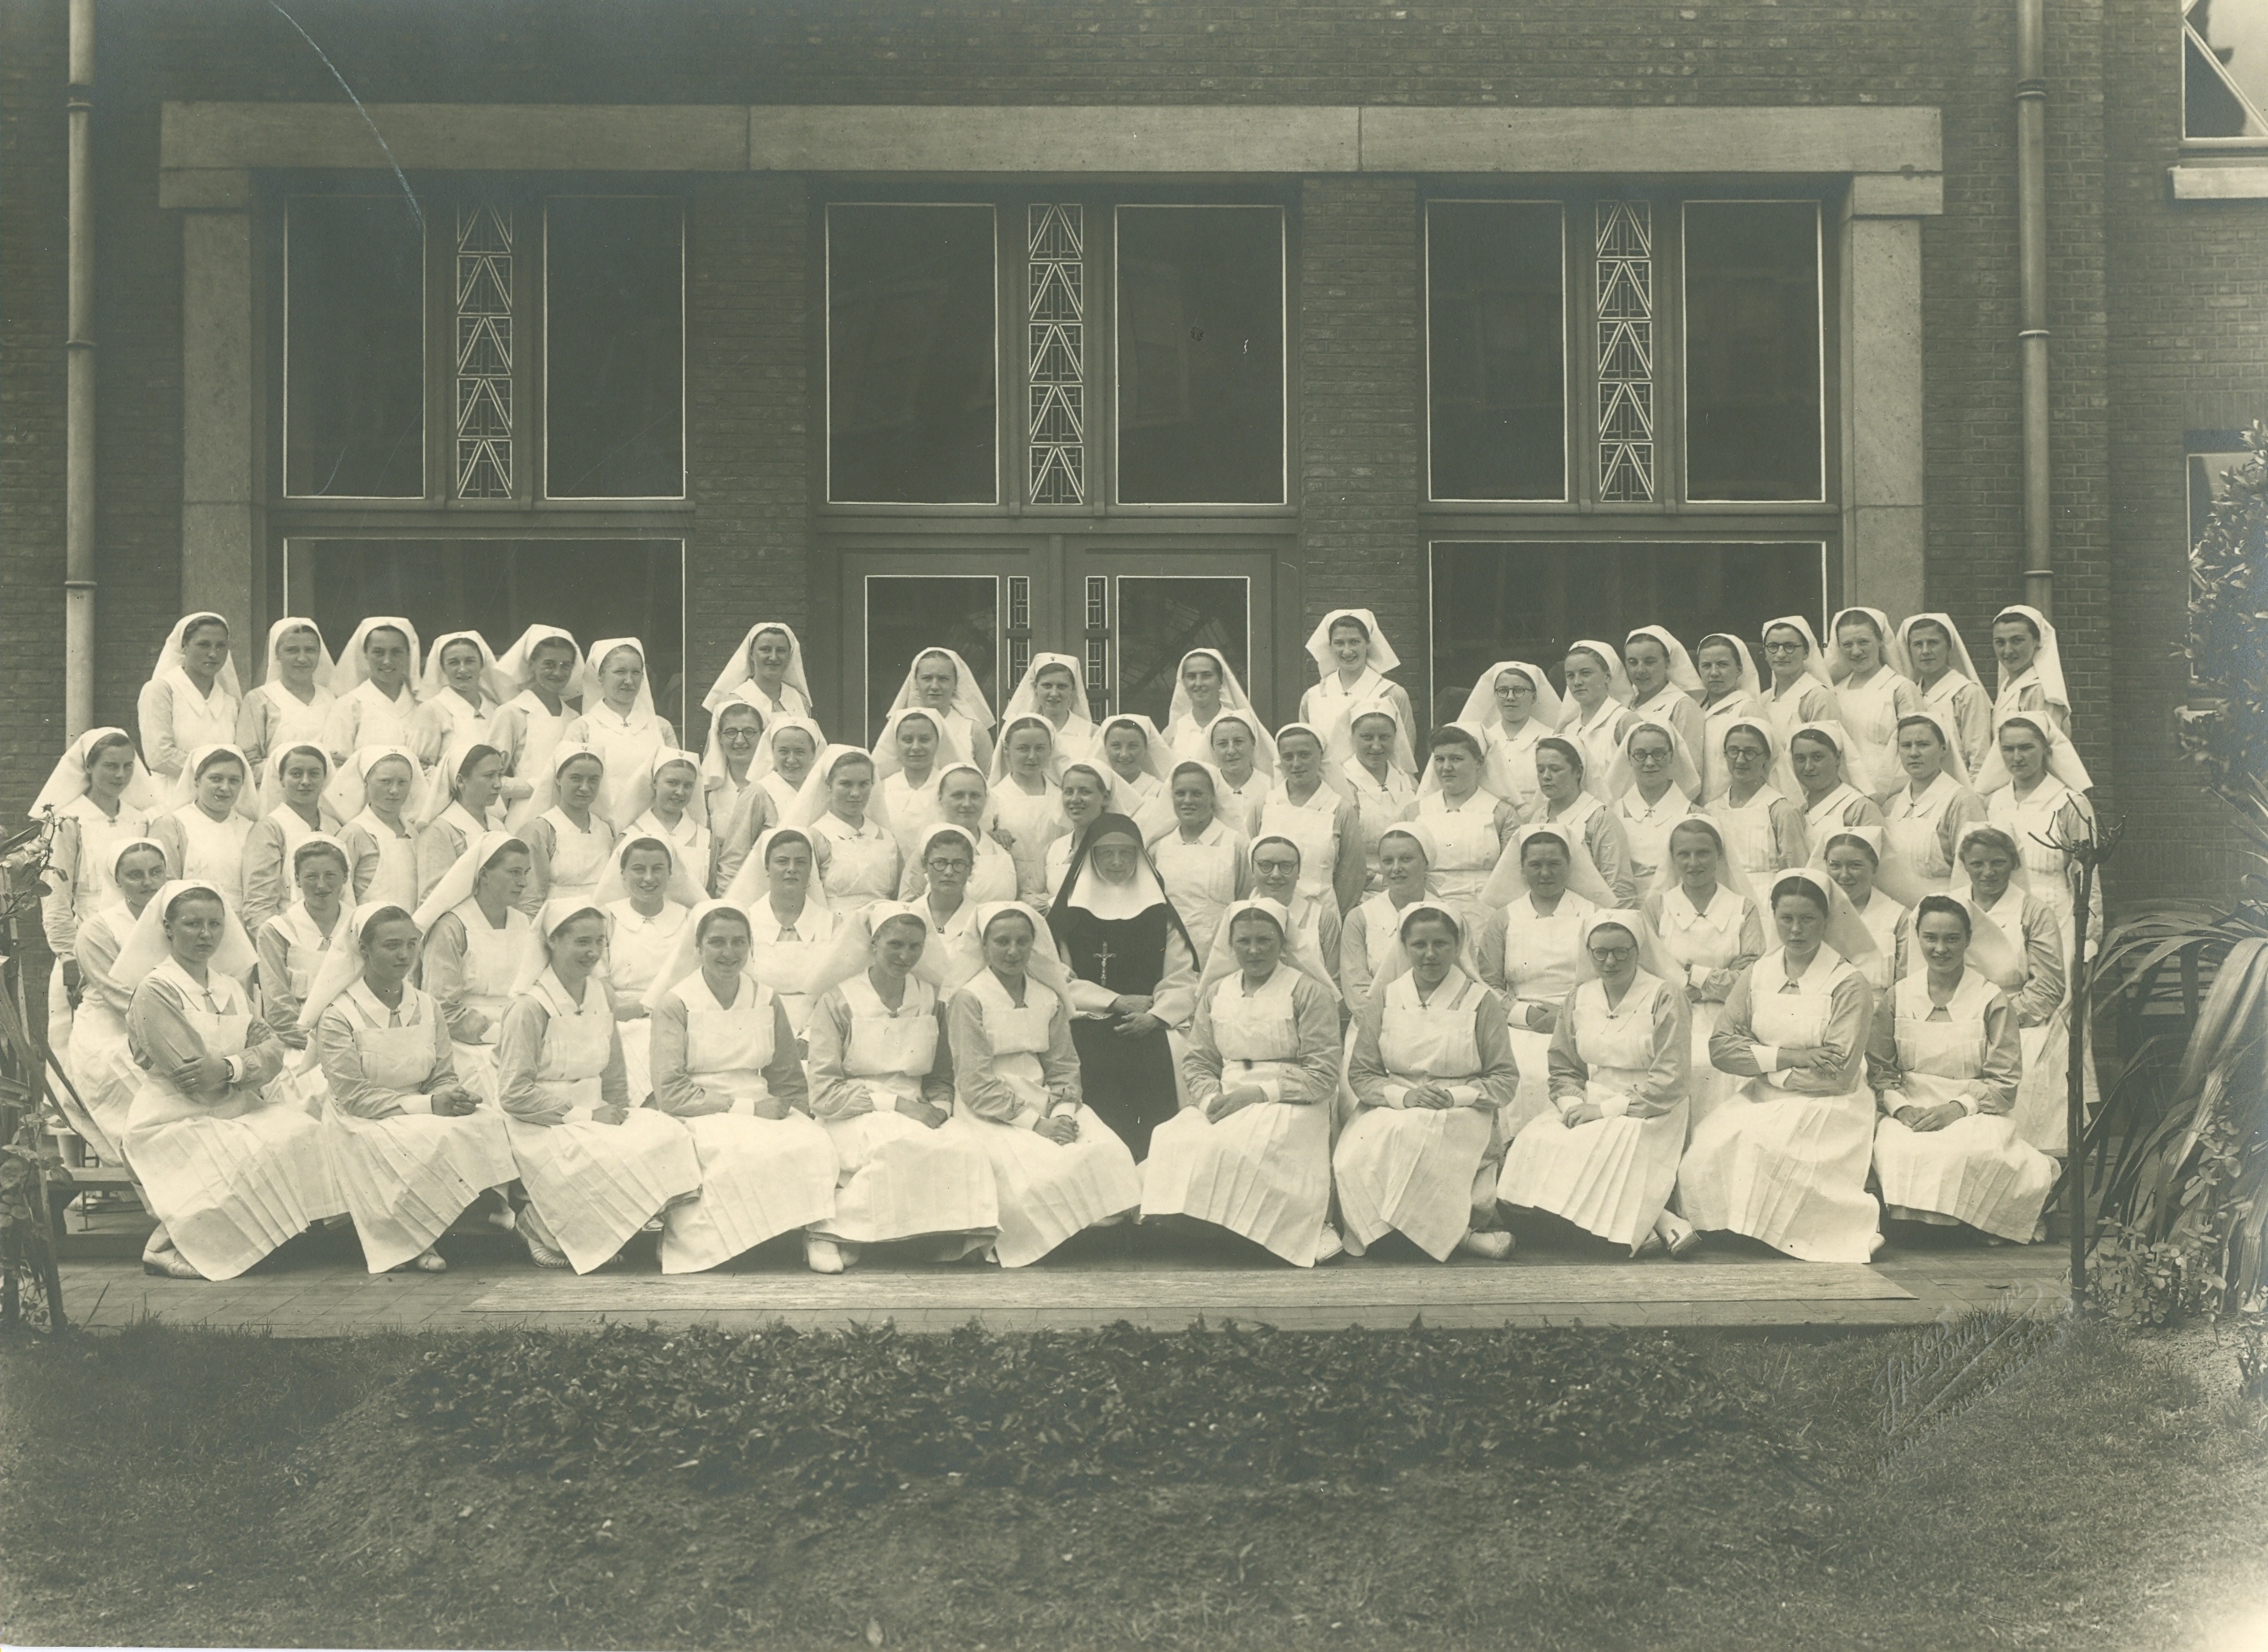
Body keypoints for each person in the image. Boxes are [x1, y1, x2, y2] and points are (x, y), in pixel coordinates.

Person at [118, 880, 345, 1279]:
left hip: (234, 1105)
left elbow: (272, 1053)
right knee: (250, 1151)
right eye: (191, 924)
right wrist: (243, 1062)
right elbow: (193, 1077)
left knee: (303, 1130)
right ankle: (163, 1245)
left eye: (214, 924)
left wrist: (228, 1068)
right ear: (168, 928)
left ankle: (272, 1239)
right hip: (173, 1117)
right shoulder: (156, 990)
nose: (205, 935)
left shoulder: (228, 987)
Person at [1681, 869, 1883, 1263]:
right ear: (1773, 916)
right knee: (1706, 1144)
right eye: (1786, 918)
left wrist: (1760, 1062)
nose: (1796, 929)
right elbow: (1722, 1047)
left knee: (1764, 1143)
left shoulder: (1848, 983)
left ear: (1826, 921)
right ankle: (1733, 1228)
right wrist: (1787, 1057)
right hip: (1763, 1094)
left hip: (1828, 1102)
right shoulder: (1757, 974)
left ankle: (1768, 1234)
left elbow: (1838, 1072)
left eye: (1808, 919)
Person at [304, 902, 516, 1274]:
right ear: (364, 950)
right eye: (391, 946)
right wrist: (430, 1105)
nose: (404, 955)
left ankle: (483, 1214)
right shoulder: (339, 1015)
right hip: (362, 1116)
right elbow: (354, 1095)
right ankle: (411, 1239)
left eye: (411, 944)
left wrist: (453, 1095)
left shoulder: (427, 1005)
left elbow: (442, 1073)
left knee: (486, 1121)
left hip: (422, 1105)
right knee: (417, 1139)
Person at [496, 898, 701, 1272]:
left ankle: (622, 1230)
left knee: (667, 1134)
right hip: (542, 1122)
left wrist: (620, 1113)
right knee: (603, 1154)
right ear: (553, 941)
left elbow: (614, 1069)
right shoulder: (529, 1007)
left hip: (597, 1113)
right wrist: (584, 1115)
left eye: (599, 942)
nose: (592, 952)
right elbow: (513, 1094)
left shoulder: (602, 993)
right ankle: (538, 1226)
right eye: (581, 942)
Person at [643, 900, 840, 1273]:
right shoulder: (675, 1003)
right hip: (698, 1109)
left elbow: (786, 1075)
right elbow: (671, 1091)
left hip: (761, 1102)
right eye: (717, 942)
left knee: (812, 1143)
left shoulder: (766, 997)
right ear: (698, 947)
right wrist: (747, 1109)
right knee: (728, 1149)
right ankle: (695, 1242)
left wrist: (804, 1117)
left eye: (738, 942)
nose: (728, 952)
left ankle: (815, 1233)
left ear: (750, 946)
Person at [802, 904, 1001, 1269]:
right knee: (895, 1146)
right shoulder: (838, 1001)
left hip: (919, 1106)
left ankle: (930, 1238)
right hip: (852, 1110)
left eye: (914, 947)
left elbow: (942, 1074)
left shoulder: (931, 999)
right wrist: (897, 1106)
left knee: (964, 1147)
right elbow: (824, 1092)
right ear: (873, 942)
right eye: (894, 945)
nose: (904, 956)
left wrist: (941, 1108)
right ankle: (827, 1232)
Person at [945, 903, 1143, 1267]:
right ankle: (1052, 1241)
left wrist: (1064, 1111)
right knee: (1032, 1176)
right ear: (984, 945)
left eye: (1022, 941)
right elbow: (974, 1081)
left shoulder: (1046, 995)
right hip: (989, 1107)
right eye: (1001, 941)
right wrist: (1037, 1125)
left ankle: (1086, 1233)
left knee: (1108, 1152)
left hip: (1047, 1100)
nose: (1012, 951)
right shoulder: (968, 998)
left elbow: (1064, 1064)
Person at [1147, 898, 1343, 1263]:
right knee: (1173, 1137)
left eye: (1265, 941)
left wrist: (1257, 1093)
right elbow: (1199, 1060)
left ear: (1283, 942)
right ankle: (1208, 1230)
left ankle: (1275, 1233)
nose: (1254, 951)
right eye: (1244, 941)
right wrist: (1209, 1100)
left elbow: (1323, 1074)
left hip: (1290, 1098)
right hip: (1226, 1095)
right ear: (1230, 944)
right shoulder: (1216, 992)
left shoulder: (1308, 992)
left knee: (1250, 1144)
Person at [1498, 912, 1698, 1256]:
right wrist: (1574, 1105)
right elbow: (1563, 1067)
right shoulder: (1578, 998)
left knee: (1594, 1146)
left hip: (1650, 1107)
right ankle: (1654, 1221)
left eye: (1622, 952)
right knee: (1537, 1142)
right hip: (1591, 1098)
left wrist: (1605, 1110)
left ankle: (1636, 1226)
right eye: (1600, 952)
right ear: (1588, 952)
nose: (1610, 961)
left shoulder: (1665, 996)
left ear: (1639, 950)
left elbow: (1671, 1077)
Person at [1870, 895, 2057, 1244]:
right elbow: (1880, 1069)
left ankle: (1960, 1225)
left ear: (1968, 940)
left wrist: (1957, 1109)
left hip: (1973, 1110)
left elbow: (2004, 1082)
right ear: (1918, 938)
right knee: (1897, 1148)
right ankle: (1923, 1226)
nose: (1941, 949)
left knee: (1966, 1152)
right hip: (1910, 1107)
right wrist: (1901, 1108)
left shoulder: (1990, 999)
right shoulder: (1899, 995)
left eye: (1952, 939)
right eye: (1931, 938)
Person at [1343, 902, 1520, 1261]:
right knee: (1351, 1157)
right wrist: (1402, 1098)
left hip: (1461, 1109)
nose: (1429, 954)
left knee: (1418, 1138)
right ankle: (1421, 1236)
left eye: (1440, 944)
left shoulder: (1481, 1001)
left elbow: (1504, 1078)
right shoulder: (1387, 996)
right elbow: (1362, 1073)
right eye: (1418, 945)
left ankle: (1448, 1235)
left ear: (1457, 947)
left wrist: (1454, 1097)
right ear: (1404, 947)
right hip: (1393, 1103)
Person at [1045, 813, 1202, 1161]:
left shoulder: (1158, 914)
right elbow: (1057, 978)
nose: (1117, 862)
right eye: (1106, 853)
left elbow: (1183, 977)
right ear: (1091, 857)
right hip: (1087, 1021)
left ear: (1139, 857)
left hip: (1149, 1025)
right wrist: (1114, 1001)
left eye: (1126, 853)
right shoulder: (1070, 915)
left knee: (1157, 1068)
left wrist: (1158, 1016)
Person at [1948, 824, 2077, 1155]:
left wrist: (1999, 1019)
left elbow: (2048, 986)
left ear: (2014, 863)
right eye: (1977, 864)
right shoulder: (1948, 908)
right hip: (1955, 1014)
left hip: (2020, 1017)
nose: (1987, 872)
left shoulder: (2033, 911)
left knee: (2027, 1070)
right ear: (1964, 865)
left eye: (1998, 862)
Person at [1477, 823, 1611, 1131]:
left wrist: (1568, 1016)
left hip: (1583, 1019)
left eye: (1554, 864)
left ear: (1569, 865)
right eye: (1535, 865)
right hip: (1519, 1022)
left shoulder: (1592, 913)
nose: (1545, 873)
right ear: (1522, 868)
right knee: (1519, 1073)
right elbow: (1487, 984)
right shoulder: (1504, 918)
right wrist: (1525, 1014)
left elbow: (1607, 975)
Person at [32, 728, 159, 1053]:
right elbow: (56, 897)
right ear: (88, 767)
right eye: (110, 765)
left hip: (133, 940)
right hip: (85, 941)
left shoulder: (139, 820)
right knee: (79, 1041)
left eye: (128, 766)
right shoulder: (67, 821)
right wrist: (68, 957)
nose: (120, 774)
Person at [1633, 816, 1765, 1126]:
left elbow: (1749, 978)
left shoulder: (1743, 909)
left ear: (1719, 855)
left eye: (1703, 853)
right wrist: (1716, 976)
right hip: (1669, 1017)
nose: (1694, 863)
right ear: (1673, 858)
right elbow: (1646, 970)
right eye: (1684, 854)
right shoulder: (1656, 908)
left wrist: (1690, 976)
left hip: (1729, 1018)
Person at [58, 840, 172, 1163]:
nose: (147, 882)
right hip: (110, 1027)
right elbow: (118, 996)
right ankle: (153, 1164)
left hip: (166, 1021)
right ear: (117, 879)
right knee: (135, 1072)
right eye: (135, 875)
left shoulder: (178, 917)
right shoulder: (98, 929)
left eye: (155, 872)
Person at [413, 830, 535, 1103]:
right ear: (485, 874)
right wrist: (497, 1033)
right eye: (514, 872)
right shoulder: (452, 927)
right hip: (464, 1042)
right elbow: (441, 1006)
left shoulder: (524, 923)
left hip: (516, 1031)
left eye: (526, 873)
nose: (523, 882)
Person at [1976, 712, 2100, 960]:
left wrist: (2088, 943)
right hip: (2003, 920)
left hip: (2057, 920)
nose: (2017, 757)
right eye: (2008, 749)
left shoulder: (2070, 804)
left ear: (2045, 748)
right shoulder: (1993, 802)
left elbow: (2087, 878)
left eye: (2026, 748)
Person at [595, 834, 701, 1100]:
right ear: (622, 874)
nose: (648, 879)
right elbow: (597, 979)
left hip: (676, 1018)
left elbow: (694, 980)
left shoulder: (689, 919)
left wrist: (650, 1008)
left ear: (670, 874)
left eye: (657, 869)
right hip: (619, 1019)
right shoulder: (606, 918)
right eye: (638, 869)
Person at [251, 835, 352, 1111]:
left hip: (356, 1035)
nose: (321, 885)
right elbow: (279, 1012)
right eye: (311, 876)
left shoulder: (360, 926)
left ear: (345, 877)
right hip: (297, 1044)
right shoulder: (276, 931)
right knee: (322, 1096)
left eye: (330, 875)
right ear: (296, 879)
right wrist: (323, 1041)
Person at [721, 827, 844, 1036]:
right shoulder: (744, 924)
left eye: (801, 862)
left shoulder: (833, 925)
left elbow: (837, 993)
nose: (791, 868)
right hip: (757, 1031)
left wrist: (808, 1037)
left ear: (810, 870)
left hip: (818, 1035)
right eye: (782, 861)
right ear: (767, 867)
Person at [563, 637, 679, 829]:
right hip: (599, 830)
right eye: (620, 672)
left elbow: (676, 779)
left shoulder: (661, 727)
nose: (628, 680)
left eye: (636, 672)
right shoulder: (582, 728)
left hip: (652, 830)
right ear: (600, 676)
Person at [1216, 833, 1345, 995]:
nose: (1276, 874)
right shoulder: (1233, 916)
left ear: (1298, 871)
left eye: (1286, 866)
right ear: (1252, 870)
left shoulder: (1322, 918)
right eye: (1265, 865)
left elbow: (1335, 982)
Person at [1259, 723, 1366, 914]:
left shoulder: (1341, 809)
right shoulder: (1264, 806)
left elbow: (1352, 876)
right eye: (1288, 756)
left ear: (1321, 756)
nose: (1296, 764)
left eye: (1305, 755)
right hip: (1269, 914)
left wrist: (1327, 919)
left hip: (1322, 914)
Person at [710, 714, 823, 891]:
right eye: (784, 751)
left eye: (800, 752)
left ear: (814, 753)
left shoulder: (823, 793)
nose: (791, 760)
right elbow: (734, 859)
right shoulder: (758, 793)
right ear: (772, 752)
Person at [1299, 609, 1420, 776]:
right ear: (1330, 645)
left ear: (1368, 643)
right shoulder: (1312, 697)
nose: (1347, 651)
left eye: (1354, 642)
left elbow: (1405, 759)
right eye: (1339, 643)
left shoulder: (1392, 694)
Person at [1880, 707, 1988, 894]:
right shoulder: (1892, 805)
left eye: (1923, 744)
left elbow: (1972, 872)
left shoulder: (1961, 802)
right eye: (1906, 745)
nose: (1914, 753)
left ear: (1943, 748)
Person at [487, 624, 583, 830]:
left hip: (568, 816)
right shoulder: (512, 713)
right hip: (525, 815)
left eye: (565, 665)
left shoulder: (575, 718)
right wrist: (536, 786)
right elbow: (490, 777)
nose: (557, 672)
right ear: (531, 664)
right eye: (549, 664)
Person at [1149, 762, 1250, 954]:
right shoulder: (1159, 848)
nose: (1187, 801)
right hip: (1170, 950)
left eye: (1197, 794)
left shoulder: (1236, 845)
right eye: (1180, 794)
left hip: (1220, 949)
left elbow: (1244, 899)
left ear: (1213, 797)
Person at [1415, 725, 1521, 909]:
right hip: (1428, 910)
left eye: (1456, 759)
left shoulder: (1503, 814)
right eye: (1440, 759)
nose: (1446, 767)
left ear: (1479, 762)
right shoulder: (1415, 812)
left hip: (1486, 908)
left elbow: (1510, 876)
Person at [241, 742, 344, 932]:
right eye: (296, 774)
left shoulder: (335, 826)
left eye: (314, 774)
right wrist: (280, 943)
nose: (305, 781)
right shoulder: (270, 828)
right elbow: (259, 903)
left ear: (324, 778)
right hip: (290, 935)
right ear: (281, 779)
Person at [1340, 822, 1444, 1008]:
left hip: (1434, 1023)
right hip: (1374, 1027)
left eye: (1406, 859)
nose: (1396, 868)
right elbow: (1357, 993)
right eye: (1388, 861)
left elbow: (1458, 985)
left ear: (1425, 862)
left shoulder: (1446, 915)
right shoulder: (1359, 918)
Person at [789, 746, 902, 915]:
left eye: (863, 784)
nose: (855, 793)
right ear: (829, 784)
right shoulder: (815, 837)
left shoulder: (887, 838)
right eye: (846, 784)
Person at [1451, 660, 1561, 823]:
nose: (1510, 697)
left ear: (1534, 696)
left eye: (1519, 690)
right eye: (1503, 691)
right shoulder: (1481, 740)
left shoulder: (1552, 738)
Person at [1531, 736, 1636, 907]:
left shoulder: (1600, 817)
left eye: (1555, 769)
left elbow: (1619, 887)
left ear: (1578, 771)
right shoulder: (1538, 818)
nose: (1546, 777)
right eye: (1540, 770)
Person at [150, 743, 258, 909]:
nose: (225, 787)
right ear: (196, 780)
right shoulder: (172, 825)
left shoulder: (251, 828)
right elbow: (164, 888)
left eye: (234, 781)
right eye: (216, 779)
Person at [138, 612, 241, 781]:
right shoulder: (161, 690)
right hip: (171, 795)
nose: (213, 654)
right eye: (203, 645)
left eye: (220, 646)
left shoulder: (230, 700)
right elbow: (159, 756)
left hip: (220, 796)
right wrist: (217, 771)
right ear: (184, 646)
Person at [1830, 607, 1922, 792]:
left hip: (1894, 793)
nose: (1856, 651)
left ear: (1880, 641)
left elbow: (1914, 748)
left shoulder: (1900, 688)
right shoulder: (1835, 693)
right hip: (1846, 794)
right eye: (1847, 644)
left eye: (1863, 642)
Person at [1891, 613, 1994, 779]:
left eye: (1933, 643)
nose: (1925, 651)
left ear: (1948, 647)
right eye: (1918, 644)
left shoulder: (1966, 692)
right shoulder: (1907, 693)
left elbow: (1979, 755)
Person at [1707, 719, 1807, 885]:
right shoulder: (1711, 810)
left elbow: (1796, 872)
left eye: (1750, 752)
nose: (1740, 760)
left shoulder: (1781, 811)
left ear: (1767, 757)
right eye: (1733, 751)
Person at [1817, 824, 1915, 993]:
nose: (1844, 875)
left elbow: (1905, 984)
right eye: (1835, 865)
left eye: (1855, 865)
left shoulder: (1899, 918)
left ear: (1875, 866)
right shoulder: (1813, 912)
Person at [1605, 718, 1701, 887]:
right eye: (1640, 755)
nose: (1650, 763)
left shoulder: (1694, 814)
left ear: (1671, 756)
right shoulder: (1612, 814)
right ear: (1629, 758)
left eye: (1658, 753)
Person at [519, 745, 616, 914]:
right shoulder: (540, 830)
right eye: (576, 778)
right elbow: (529, 900)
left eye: (593, 780)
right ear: (558, 779)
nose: (585, 787)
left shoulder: (606, 830)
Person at [901, 766, 1018, 903]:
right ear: (940, 798)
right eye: (958, 795)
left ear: (986, 798)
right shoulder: (926, 849)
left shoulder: (1001, 847)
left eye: (975, 795)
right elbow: (907, 906)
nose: (967, 804)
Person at [413, 742, 509, 903]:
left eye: (500, 775)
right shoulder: (440, 831)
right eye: (488, 776)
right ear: (460, 781)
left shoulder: (498, 827)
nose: (498, 784)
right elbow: (432, 899)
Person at [323, 618, 424, 771]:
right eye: (378, 652)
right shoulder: (349, 705)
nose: (387, 661)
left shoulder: (422, 705)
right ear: (365, 654)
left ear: (409, 654)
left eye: (396, 652)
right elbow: (336, 766)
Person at [988, 716, 1070, 902]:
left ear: (1051, 749)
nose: (1032, 757)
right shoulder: (994, 797)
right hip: (1009, 888)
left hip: (1056, 890)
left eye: (1040, 748)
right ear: (1007, 749)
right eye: (1023, 748)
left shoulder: (1063, 797)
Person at [236, 618, 335, 770]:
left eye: (310, 650)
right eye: (292, 650)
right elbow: (247, 764)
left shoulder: (333, 699)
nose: (302, 658)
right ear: (277, 654)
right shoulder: (259, 700)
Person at [337, 746, 428, 910]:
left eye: (402, 782)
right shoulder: (354, 833)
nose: (394, 790)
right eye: (385, 781)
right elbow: (342, 896)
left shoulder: (413, 833)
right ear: (366, 782)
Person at [873, 707, 968, 862]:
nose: (916, 747)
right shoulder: (882, 788)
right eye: (907, 740)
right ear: (896, 743)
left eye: (924, 739)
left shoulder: (952, 787)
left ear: (938, 741)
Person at [1339, 709, 1419, 890]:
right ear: (1353, 738)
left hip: (1410, 886)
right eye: (1367, 737)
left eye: (1384, 737)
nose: (1376, 746)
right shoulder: (1341, 784)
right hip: (1361, 890)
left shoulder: (1408, 782)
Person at [889, 646, 998, 776]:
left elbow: (988, 781)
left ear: (956, 682)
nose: (934, 686)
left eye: (943, 679)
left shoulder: (974, 730)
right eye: (927, 678)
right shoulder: (898, 726)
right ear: (916, 682)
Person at [413, 631, 507, 771]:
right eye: (453, 662)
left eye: (469, 661)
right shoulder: (432, 709)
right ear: (443, 667)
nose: (462, 669)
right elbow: (420, 768)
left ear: (481, 664)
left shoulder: (496, 709)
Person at [703, 621, 817, 736]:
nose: (773, 657)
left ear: (789, 656)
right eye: (765, 649)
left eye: (781, 651)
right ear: (751, 654)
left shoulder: (800, 701)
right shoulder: (734, 701)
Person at [622, 749, 712, 892]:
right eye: (672, 783)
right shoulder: (630, 835)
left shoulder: (706, 839)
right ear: (655, 782)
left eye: (688, 785)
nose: (680, 792)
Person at [699, 701, 771, 876]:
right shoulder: (708, 792)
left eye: (749, 732)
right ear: (720, 737)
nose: (740, 740)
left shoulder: (773, 787)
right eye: (731, 732)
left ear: (762, 735)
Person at [1692, 633, 1766, 801]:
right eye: (1706, 665)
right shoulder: (1697, 711)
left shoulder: (1747, 709)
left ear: (1739, 669)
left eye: (1722, 664)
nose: (1714, 673)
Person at [1555, 640, 1634, 796]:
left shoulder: (1624, 721)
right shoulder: (1568, 729)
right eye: (1570, 676)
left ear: (1607, 676)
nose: (1577, 682)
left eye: (1585, 673)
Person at [1162, 647, 1259, 768]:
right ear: (1183, 682)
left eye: (1206, 676)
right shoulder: (1174, 730)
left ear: (1220, 681)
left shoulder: (1239, 723)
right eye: (1191, 677)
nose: (1198, 684)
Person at [1757, 614, 1839, 757]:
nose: (1781, 654)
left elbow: (1823, 755)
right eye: (1773, 646)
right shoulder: (1764, 699)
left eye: (1790, 646)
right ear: (1765, 652)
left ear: (1806, 652)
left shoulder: (1818, 697)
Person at [1788, 723, 1885, 842]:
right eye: (1800, 759)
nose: (1808, 767)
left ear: (1837, 758)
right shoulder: (1795, 807)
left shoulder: (1859, 808)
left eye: (1817, 757)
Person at [1622, 627, 1707, 762]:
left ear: (1667, 662)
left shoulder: (1682, 706)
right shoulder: (1626, 704)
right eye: (1633, 662)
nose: (1640, 670)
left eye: (1649, 662)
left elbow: (1690, 770)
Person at [1039, 761, 1115, 908]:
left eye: (1085, 791)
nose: (1074, 799)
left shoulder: (1118, 847)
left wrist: (1053, 903)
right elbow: (1029, 893)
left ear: (1105, 798)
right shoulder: (1054, 848)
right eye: (1068, 792)